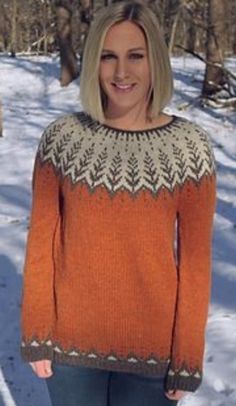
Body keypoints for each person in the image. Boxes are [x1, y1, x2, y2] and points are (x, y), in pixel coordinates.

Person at [20, 1, 217, 405]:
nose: (121, 72)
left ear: (155, 62)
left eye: (135, 56)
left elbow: (195, 263)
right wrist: (37, 331)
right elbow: (42, 243)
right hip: (70, 349)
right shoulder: (63, 140)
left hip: (153, 352)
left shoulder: (187, 148)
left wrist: (187, 354)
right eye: (108, 57)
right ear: (94, 62)